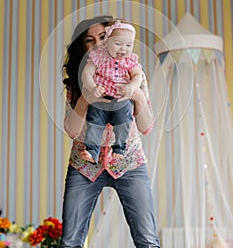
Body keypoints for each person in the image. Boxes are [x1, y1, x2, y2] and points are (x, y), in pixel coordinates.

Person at [61, 15, 160, 248]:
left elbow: (146, 127)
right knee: (70, 241)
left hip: (129, 162)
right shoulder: (80, 80)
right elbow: (72, 131)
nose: (96, 43)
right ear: (82, 46)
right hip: (84, 165)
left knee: (147, 240)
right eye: (89, 40)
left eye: (102, 37)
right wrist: (85, 99)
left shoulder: (134, 73)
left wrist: (135, 95)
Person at [81, 20, 142, 164]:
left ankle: (119, 149)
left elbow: (137, 76)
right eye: (118, 44)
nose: (123, 49)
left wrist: (132, 86)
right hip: (100, 99)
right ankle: (91, 151)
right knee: (94, 121)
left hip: (121, 100)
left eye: (128, 45)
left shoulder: (129, 60)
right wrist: (93, 88)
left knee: (124, 121)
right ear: (107, 42)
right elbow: (86, 74)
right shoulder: (98, 58)